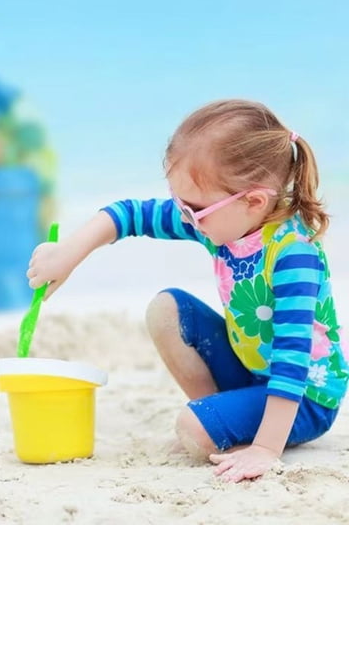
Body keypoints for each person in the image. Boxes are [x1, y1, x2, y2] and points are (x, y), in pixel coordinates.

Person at [26, 99, 349, 483]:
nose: (184, 217)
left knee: (193, 430)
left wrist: (265, 450)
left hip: (304, 397)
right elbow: (129, 214)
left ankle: (227, 428)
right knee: (167, 309)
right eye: (179, 202)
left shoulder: (293, 254)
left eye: (193, 209)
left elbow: (292, 359)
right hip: (254, 373)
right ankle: (218, 413)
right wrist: (68, 254)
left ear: (254, 201)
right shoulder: (225, 222)